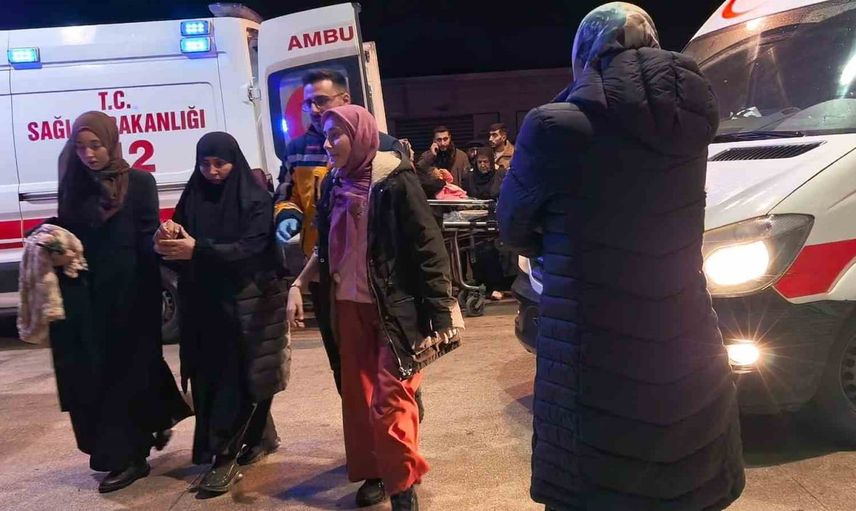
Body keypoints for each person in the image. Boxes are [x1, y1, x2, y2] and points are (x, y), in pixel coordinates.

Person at [497, 3, 745, 510]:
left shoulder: (553, 126)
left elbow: (512, 226)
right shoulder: (689, 122)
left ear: (585, 53)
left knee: (597, 476)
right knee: (685, 472)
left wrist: (553, 245)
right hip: (682, 327)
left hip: (591, 337)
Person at [287, 105, 460, 511]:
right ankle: (375, 473)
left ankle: (402, 486)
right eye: (325, 136)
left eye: (336, 135)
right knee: (358, 399)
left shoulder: (394, 181)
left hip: (394, 309)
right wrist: (298, 283)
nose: (328, 144)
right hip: (347, 307)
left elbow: (428, 245)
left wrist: (440, 310)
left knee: (390, 401)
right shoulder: (334, 183)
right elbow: (326, 246)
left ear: (360, 135)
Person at [47, 111, 191, 493]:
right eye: (81, 147)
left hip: (133, 294)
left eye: (95, 145)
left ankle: (132, 456)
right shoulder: (74, 183)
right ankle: (131, 444)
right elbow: (71, 233)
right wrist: (48, 236)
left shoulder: (140, 182)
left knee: (131, 371)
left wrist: (161, 245)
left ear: (111, 142)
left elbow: (146, 237)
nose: (89, 154)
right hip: (89, 296)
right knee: (99, 375)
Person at [155, 132, 290, 494]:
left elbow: (252, 249)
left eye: (220, 164)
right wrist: (168, 236)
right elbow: (181, 239)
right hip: (202, 306)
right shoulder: (194, 194)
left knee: (234, 382)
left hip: (244, 306)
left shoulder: (256, 200)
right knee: (210, 381)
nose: (212, 171)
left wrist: (198, 250)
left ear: (235, 162)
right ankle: (259, 437)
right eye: (205, 164)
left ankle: (224, 457)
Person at [274, 68, 404, 397]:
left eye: (321, 100)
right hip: (322, 268)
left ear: (345, 99)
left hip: (374, 272)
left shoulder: (383, 146)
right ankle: (356, 413)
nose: (314, 109)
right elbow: (286, 194)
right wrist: (287, 216)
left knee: (390, 352)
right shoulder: (297, 149)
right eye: (308, 104)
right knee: (341, 354)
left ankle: (398, 415)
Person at [462, 148, 513, 301]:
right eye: (480, 162)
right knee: (479, 251)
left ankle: (499, 286)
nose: (483, 165)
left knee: (496, 250)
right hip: (476, 222)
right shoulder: (469, 178)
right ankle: (483, 284)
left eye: (485, 162)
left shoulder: (500, 175)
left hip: (496, 221)